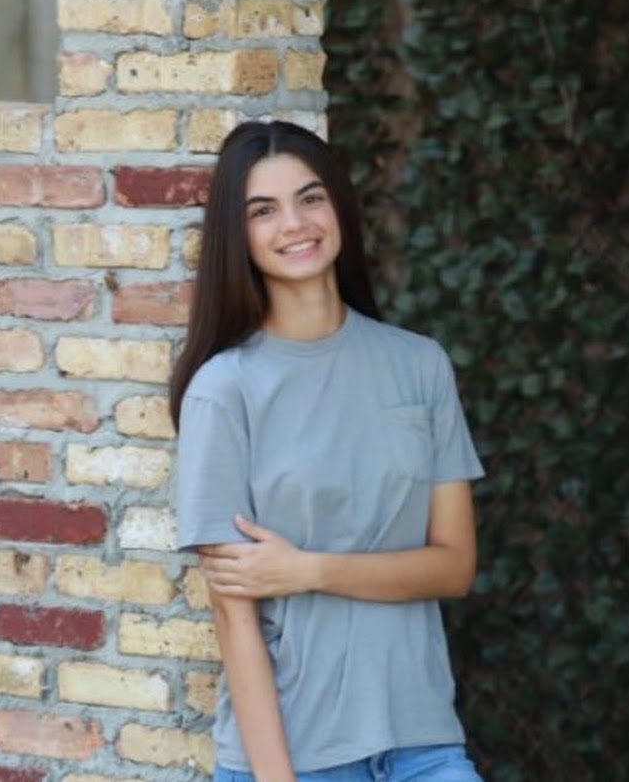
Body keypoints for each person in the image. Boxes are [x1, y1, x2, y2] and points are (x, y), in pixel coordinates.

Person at [170, 120, 485, 782]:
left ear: (339, 206)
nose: (295, 224)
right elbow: (234, 616)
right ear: (238, 235)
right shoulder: (224, 391)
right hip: (297, 755)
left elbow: (454, 566)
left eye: (310, 198)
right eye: (263, 210)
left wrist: (307, 570)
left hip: (423, 740)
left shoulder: (419, 365)